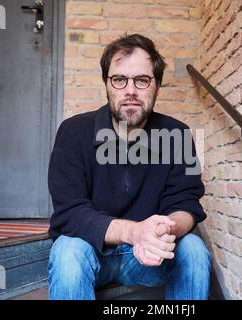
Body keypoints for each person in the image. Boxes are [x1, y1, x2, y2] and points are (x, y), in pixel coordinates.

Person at [47, 33, 211, 300]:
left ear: (157, 85)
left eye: (142, 80)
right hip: (92, 254)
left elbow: (187, 204)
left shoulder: (179, 135)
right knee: (67, 250)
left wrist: (163, 230)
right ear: (107, 84)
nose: (131, 90)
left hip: (150, 258)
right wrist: (134, 232)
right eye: (120, 79)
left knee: (192, 248)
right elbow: (70, 212)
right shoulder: (73, 131)